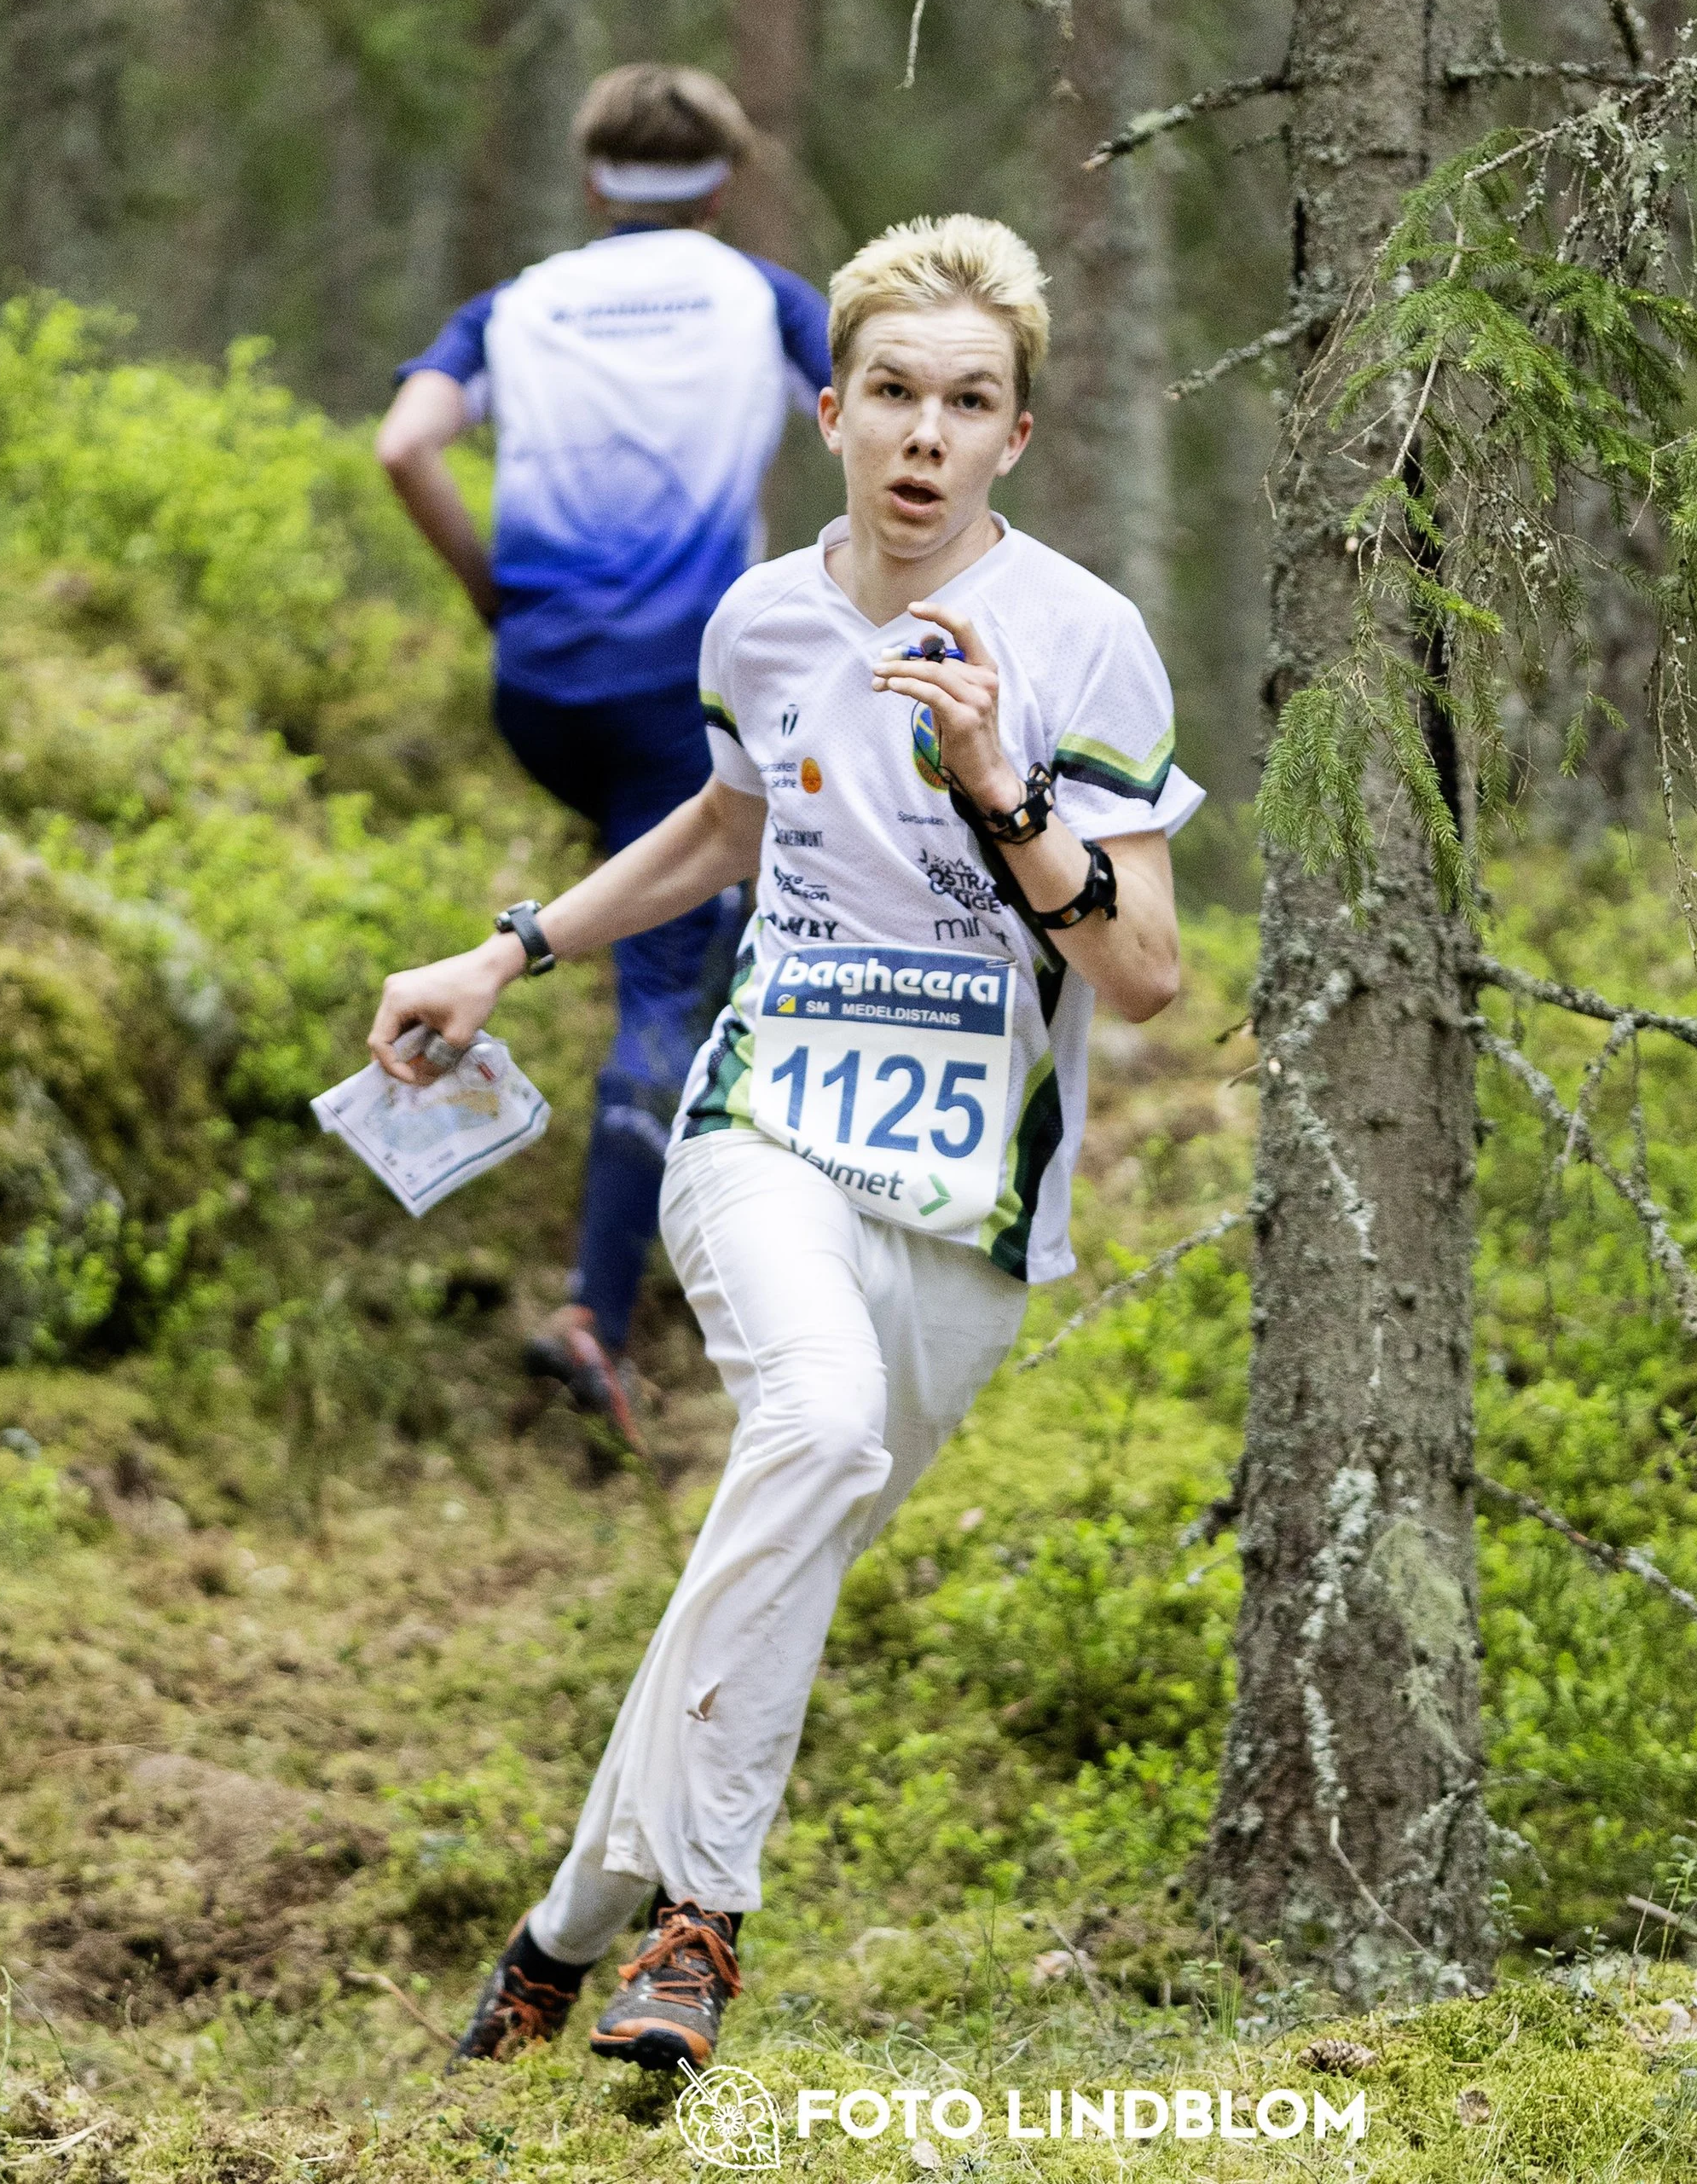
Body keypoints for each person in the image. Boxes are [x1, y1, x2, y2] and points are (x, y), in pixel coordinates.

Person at [368, 212, 1201, 2075]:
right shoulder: (757, 616)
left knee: (778, 1549)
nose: (922, 433)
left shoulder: (1083, 639)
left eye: (965, 401)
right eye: (891, 391)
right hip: (771, 1120)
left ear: (1015, 436)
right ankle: (698, 1927)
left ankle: (559, 1929)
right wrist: (506, 950)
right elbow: (718, 830)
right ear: (827, 408)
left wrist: (1000, 782)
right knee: (811, 1429)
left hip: (976, 1190)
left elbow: (1141, 976)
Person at [378, 66, 830, 1446]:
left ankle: (678, 1174)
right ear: (726, 178)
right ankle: (598, 1312)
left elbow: (405, 444)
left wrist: (494, 598)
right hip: (678, 685)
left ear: (590, 182)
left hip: (545, 686)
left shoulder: (516, 303)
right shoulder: (762, 297)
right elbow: (870, 412)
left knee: (693, 911)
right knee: (667, 973)